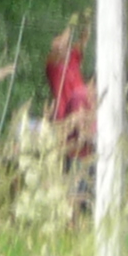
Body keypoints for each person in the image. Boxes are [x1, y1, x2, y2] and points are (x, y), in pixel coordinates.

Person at [45, 18, 94, 212]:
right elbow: (59, 47)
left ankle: (81, 201)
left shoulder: (73, 57)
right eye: (59, 42)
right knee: (68, 159)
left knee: (85, 155)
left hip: (83, 115)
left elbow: (82, 41)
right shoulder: (52, 64)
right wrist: (71, 23)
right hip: (65, 118)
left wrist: (85, 25)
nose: (63, 46)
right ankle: (66, 202)